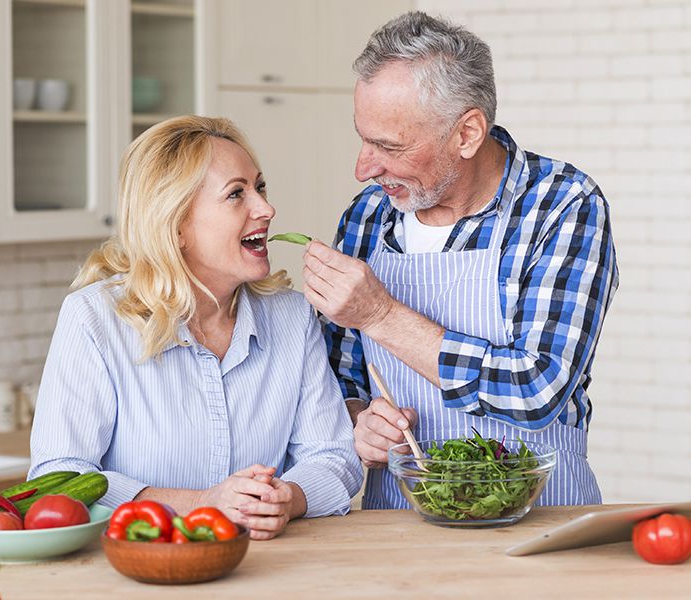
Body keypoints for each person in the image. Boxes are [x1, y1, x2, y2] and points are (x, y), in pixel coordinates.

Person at [302, 12, 618, 509]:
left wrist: (381, 316)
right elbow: (338, 380)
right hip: (401, 524)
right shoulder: (366, 218)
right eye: (363, 138)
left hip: (540, 517)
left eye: (388, 145)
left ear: (467, 133)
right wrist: (360, 419)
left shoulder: (562, 206)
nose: (362, 168)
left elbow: (536, 389)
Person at [30, 116, 362, 540]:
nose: (266, 209)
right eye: (236, 194)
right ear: (176, 225)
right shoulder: (95, 319)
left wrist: (290, 497)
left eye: (259, 188)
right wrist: (200, 504)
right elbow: (59, 478)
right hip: (141, 571)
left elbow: (334, 456)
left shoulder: (293, 317)